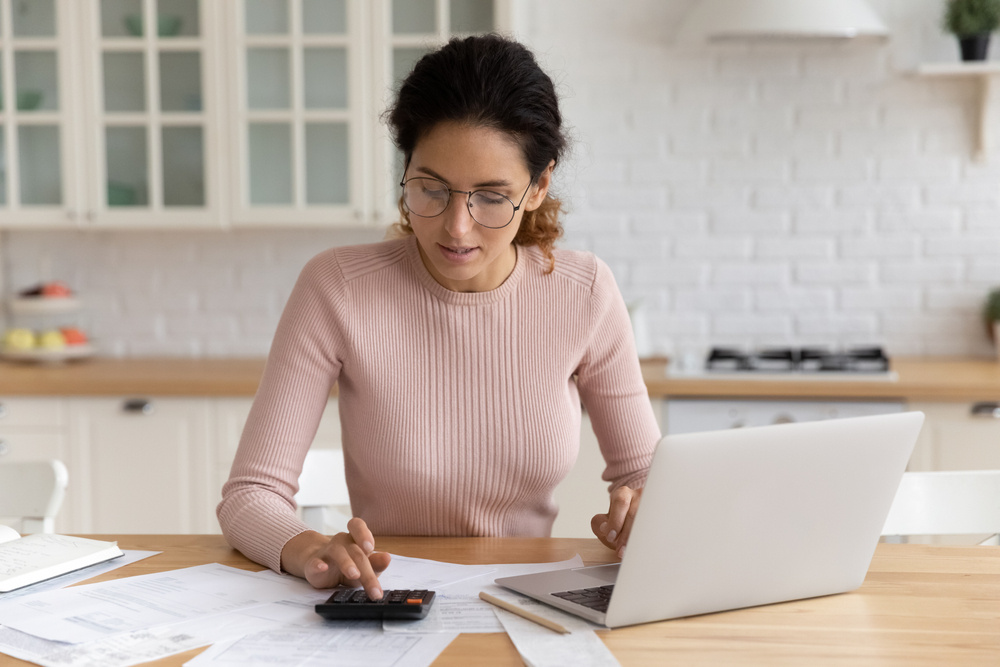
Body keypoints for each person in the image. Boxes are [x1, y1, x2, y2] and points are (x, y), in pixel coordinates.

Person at [217, 34, 661, 599]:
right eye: (431, 189)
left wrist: (642, 514)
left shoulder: (584, 292)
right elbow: (250, 494)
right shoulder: (339, 287)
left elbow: (647, 479)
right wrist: (308, 549)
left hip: (527, 601)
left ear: (538, 186)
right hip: (392, 601)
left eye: (491, 196)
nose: (456, 227)